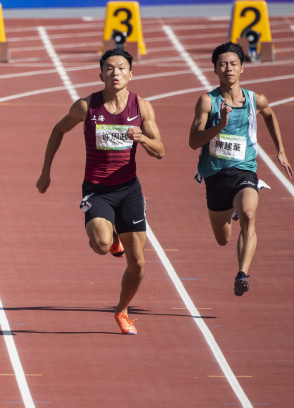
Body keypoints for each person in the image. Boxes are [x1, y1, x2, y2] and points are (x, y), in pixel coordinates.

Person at [36, 49, 164, 335]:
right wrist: (46, 172)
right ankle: (112, 236)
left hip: (130, 190)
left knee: (139, 263)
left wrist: (141, 137)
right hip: (96, 191)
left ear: (131, 74)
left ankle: (121, 309)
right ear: (101, 74)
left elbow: (161, 151)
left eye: (121, 68)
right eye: (109, 68)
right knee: (101, 245)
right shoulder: (86, 106)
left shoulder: (142, 108)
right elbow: (58, 131)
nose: (115, 72)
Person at [188, 42, 291, 296]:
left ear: (242, 68)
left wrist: (280, 150)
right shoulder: (207, 102)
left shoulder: (255, 99)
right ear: (215, 69)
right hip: (214, 174)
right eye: (222, 64)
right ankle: (231, 212)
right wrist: (220, 125)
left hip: (244, 170)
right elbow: (193, 142)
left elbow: (268, 114)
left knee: (248, 214)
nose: (228, 68)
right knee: (223, 239)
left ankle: (242, 274)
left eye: (233, 63)